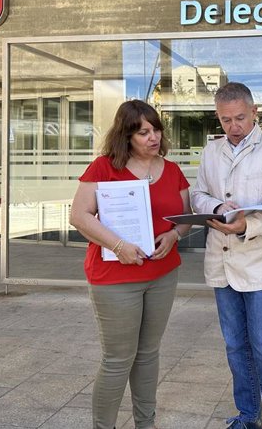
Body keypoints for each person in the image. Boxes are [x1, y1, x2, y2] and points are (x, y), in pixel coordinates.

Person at [70, 99, 191, 429]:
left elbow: (184, 220)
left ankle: (145, 424)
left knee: (149, 353)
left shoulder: (173, 170)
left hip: (162, 274)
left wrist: (175, 236)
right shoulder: (103, 168)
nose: (153, 137)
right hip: (114, 277)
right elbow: (79, 216)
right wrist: (118, 245)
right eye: (143, 132)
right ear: (126, 136)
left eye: (156, 130)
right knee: (118, 359)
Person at [191, 83, 262, 429]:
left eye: (239, 118)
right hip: (222, 262)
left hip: (260, 261)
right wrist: (218, 206)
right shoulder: (211, 152)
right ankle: (248, 416)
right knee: (235, 346)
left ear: (254, 112)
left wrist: (244, 226)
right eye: (225, 120)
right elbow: (198, 194)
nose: (233, 126)